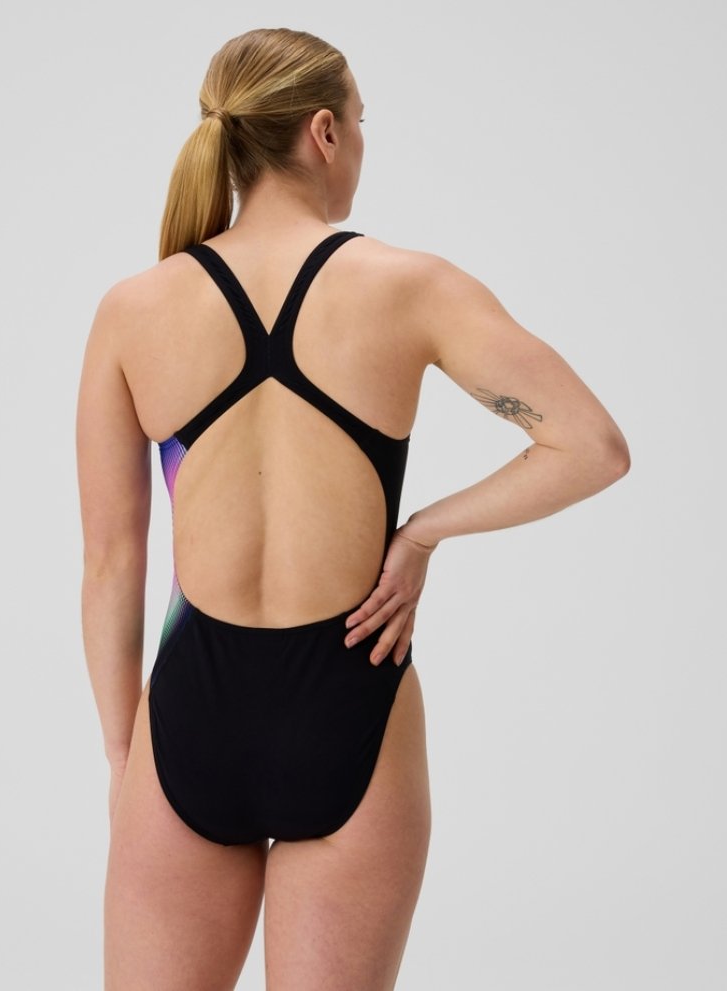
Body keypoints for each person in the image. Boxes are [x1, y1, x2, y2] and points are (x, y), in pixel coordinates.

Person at [75, 26, 631, 990]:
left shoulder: (135, 308)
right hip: (353, 698)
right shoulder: (411, 286)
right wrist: (421, 534)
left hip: (190, 713)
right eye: (362, 123)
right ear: (325, 132)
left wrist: (129, 758)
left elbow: (110, 563)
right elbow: (592, 445)